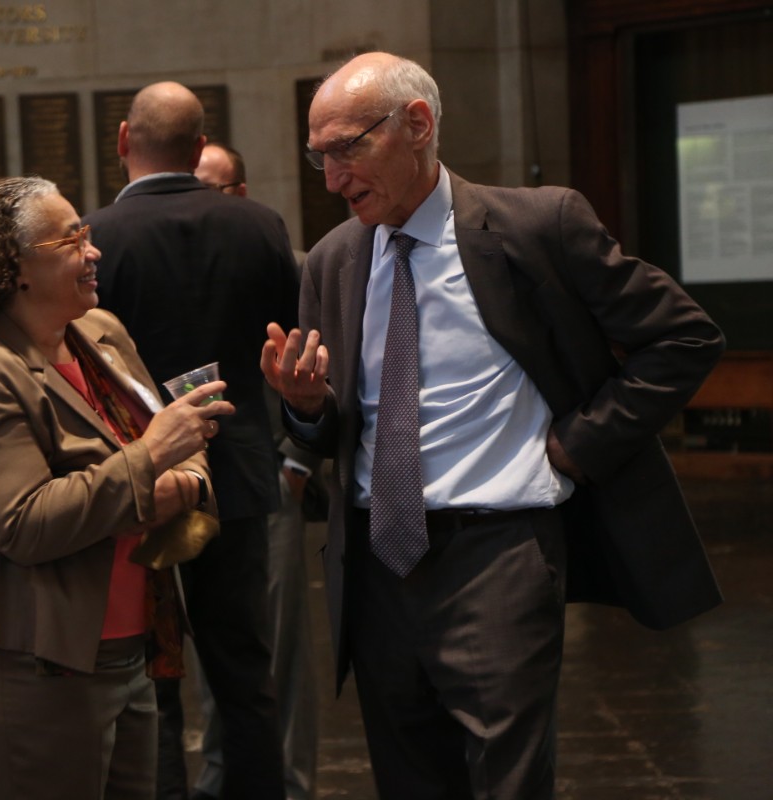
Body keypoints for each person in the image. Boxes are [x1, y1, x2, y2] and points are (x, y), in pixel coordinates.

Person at [260, 52, 725, 799]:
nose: (333, 180)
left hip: (499, 553)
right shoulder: (332, 262)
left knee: (505, 779)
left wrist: (579, 444)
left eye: (349, 149)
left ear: (417, 124)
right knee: (409, 778)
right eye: (319, 156)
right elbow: (327, 434)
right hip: (377, 563)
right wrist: (305, 408)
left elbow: (685, 337)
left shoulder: (538, 227)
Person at [0, 176, 236, 800]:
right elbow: (27, 524)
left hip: (133, 647)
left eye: (88, 235)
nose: (92, 251)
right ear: (16, 268)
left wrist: (164, 468)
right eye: (72, 239)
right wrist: (153, 461)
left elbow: (191, 453)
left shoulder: (102, 334)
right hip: (37, 662)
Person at [83, 83, 301, 800]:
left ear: (122, 140)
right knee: (244, 673)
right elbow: (287, 347)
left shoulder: (93, 241)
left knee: (151, 673)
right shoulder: (261, 227)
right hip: (232, 475)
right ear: (200, 147)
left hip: (132, 481)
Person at [193, 142, 320, 800]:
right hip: (192, 490)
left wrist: (296, 465)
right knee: (217, 651)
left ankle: (291, 785)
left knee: (278, 647)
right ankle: (222, 780)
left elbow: (321, 373)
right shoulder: (177, 269)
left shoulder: (285, 265)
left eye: (213, 189)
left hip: (270, 483)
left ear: (240, 194)